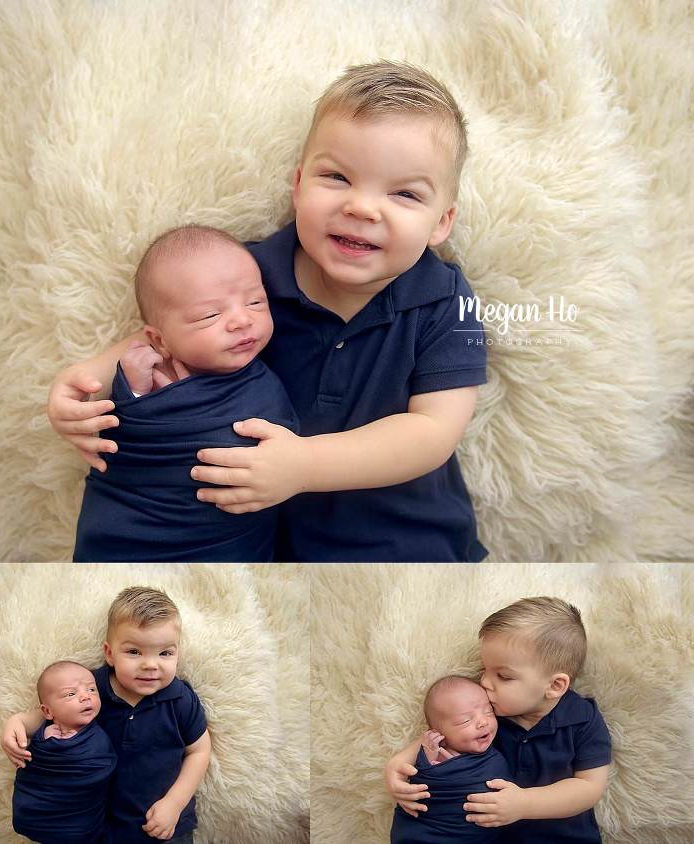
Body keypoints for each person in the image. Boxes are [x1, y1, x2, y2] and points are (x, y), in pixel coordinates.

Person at [48, 60, 488, 562]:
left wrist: (303, 465)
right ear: (298, 185)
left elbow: (432, 433)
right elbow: (171, 332)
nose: (363, 208)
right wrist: (84, 380)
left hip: (406, 536)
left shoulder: (445, 301)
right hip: (262, 537)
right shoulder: (248, 275)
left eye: (405, 193)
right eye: (337, 177)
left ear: (441, 222)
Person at [72, 225, 297, 562]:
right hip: (135, 525)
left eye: (255, 302)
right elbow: (121, 437)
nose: (241, 320)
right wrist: (135, 390)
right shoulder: (147, 375)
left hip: (224, 543)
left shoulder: (264, 380)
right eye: (211, 314)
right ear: (160, 340)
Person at [385, 598, 612, 844]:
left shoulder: (582, 720)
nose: (484, 682)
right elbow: (443, 733)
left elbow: (589, 788)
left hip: (562, 836)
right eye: (485, 669)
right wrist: (398, 763)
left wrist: (524, 804)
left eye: (503, 675)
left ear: (555, 686)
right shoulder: (489, 715)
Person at [2, 587, 211, 843]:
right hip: (101, 826)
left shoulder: (179, 698)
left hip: (165, 826)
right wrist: (18, 722)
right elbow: (51, 713)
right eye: (134, 652)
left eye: (165, 653)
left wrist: (175, 803)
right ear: (110, 653)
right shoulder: (92, 689)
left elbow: (199, 751)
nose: (150, 664)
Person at [390, 676, 510, 843]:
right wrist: (430, 755)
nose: (483, 722)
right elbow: (423, 779)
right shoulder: (436, 755)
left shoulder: (500, 743)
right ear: (440, 734)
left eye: (488, 711)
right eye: (465, 720)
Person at [12, 661, 117, 844]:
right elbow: (33, 766)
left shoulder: (98, 737)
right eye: (71, 694)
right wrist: (47, 740)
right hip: (39, 811)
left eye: (92, 690)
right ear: (47, 711)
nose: (86, 697)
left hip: (80, 821)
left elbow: (104, 767)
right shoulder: (43, 733)